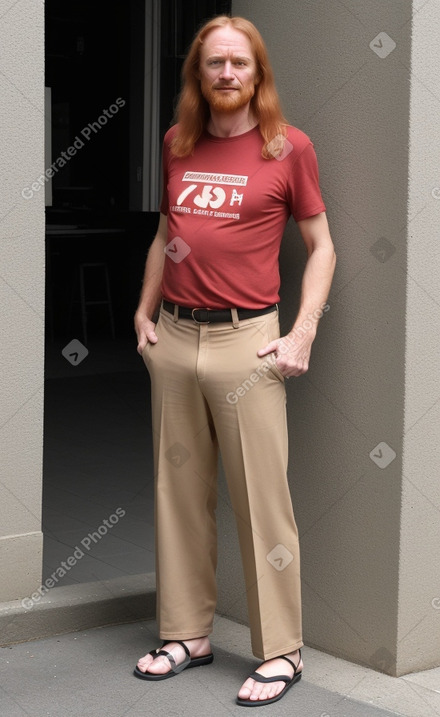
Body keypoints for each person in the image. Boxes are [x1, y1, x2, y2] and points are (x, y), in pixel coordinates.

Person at [133, 14, 336, 708]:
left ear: (257, 73)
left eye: (238, 64)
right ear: (198, 72)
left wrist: (303, 330)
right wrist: (141, 309)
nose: (225, 74)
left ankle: (282, 650)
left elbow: (323, 245)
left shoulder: (288, 147)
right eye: (214, 63)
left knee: (262, 502)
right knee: (177, 494)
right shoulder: (177, 144)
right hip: (173, 338)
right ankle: (186, 633)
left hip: (246, 343)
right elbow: (167, 234)